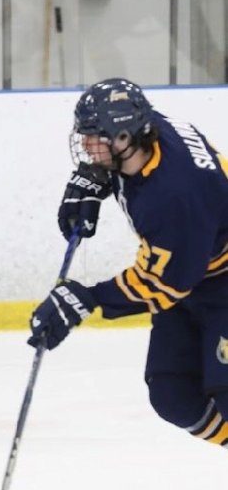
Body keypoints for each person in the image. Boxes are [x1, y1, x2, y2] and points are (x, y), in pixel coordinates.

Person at [28, 77, 228, 449]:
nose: (87, 145)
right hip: (198, 266)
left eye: (94, 137)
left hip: (217, 280)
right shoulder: (148, 134)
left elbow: (166, 284)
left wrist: (86, 299)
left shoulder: (174, 196)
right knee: (172, 393)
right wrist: (92, 179)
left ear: (123, 138)